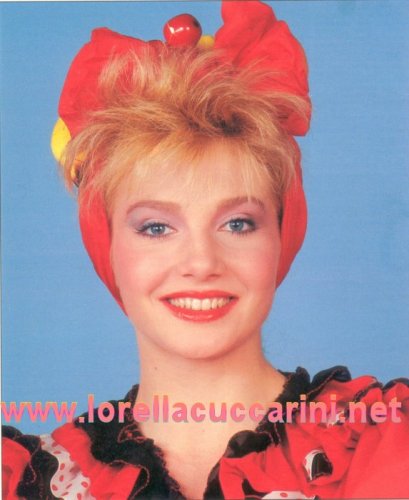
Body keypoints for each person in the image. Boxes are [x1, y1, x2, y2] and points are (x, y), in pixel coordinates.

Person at [2, 1, 409, 498]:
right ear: (107, 248)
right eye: (156, 227)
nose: (201, 262)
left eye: (237, 223)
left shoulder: (386, 441)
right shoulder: (25, 481)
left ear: (281, 236)